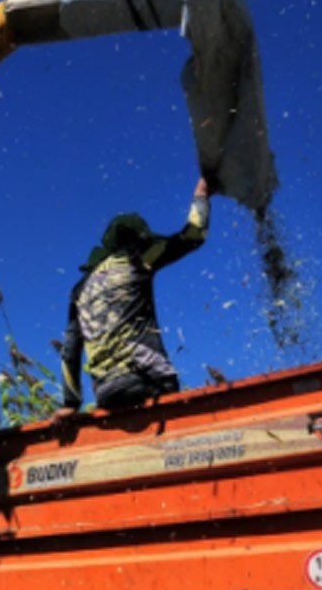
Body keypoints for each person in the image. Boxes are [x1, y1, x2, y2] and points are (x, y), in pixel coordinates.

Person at [53, 176, 213, 422]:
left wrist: (71, 404)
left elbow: (70, 350)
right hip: (149, 378)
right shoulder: (137, 258)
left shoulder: (80, 288)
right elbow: (194, 235)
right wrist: (201, 195)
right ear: (139, 237)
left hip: (107, 392)